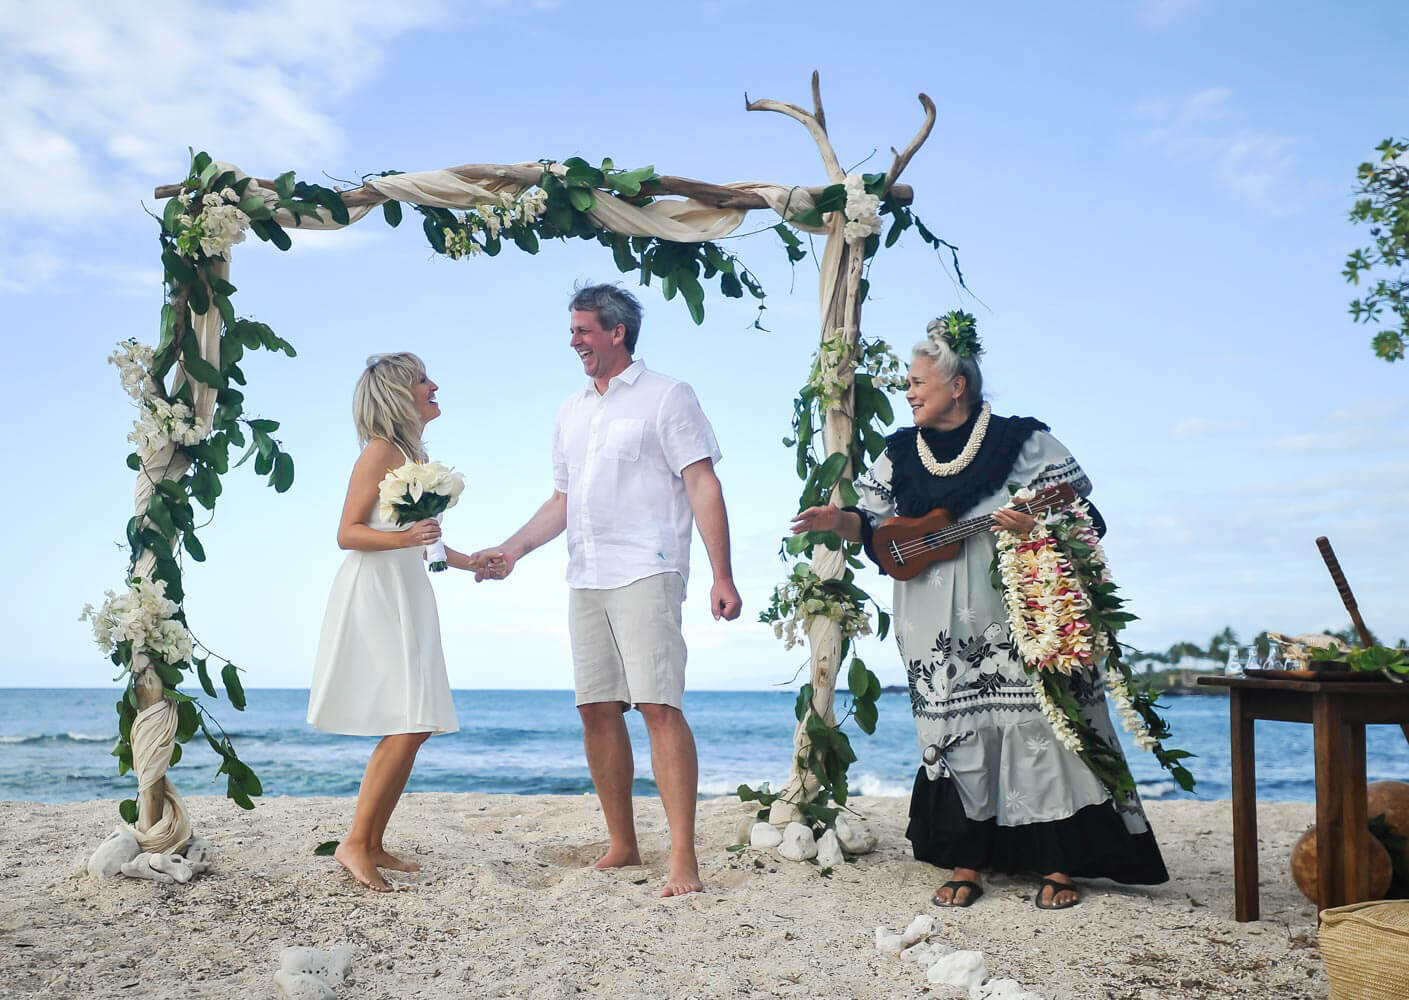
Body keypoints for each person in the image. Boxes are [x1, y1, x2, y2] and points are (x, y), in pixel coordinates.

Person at [791, 316, 1167, 910]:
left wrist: (1035, 522)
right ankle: (968, 859)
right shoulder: (898, 451)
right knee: (955, 728)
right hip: (931, 620)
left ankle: (1059, 862)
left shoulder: (1020, 441)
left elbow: (1084, 517)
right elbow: (870, 522)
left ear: (957, 384)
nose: (908, 392)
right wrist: (833, 521)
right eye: (907, 383)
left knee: (1040, 723)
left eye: (917, 381)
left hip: (1013, 614)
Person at [472, 283, 742, 897]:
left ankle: (682, 860)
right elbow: (562, 501)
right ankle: (623, 843)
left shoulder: (668, 396)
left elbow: (703, 484)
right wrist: (511, 551)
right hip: (585, 573)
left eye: (583, 331)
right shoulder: (570, 410)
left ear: (617, 332)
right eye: (572, 331)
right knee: (596, 709)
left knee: (658, 706)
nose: (573, 342)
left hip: (648, 567)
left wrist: (722, 574)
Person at [308, 352, 482, 892]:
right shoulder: (381, 452)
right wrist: (405, 540)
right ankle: (354, 843)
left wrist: (470, 560)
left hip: (408, 588)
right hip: (376, 592)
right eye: (422, 380)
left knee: (418, 720)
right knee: (408, 718)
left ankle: (374, 840)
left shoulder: (411, 454)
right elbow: (348, 532)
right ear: (398, 394)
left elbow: (419, 538)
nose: (434, 386)